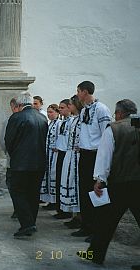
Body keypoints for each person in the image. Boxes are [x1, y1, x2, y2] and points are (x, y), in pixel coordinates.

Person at [78, 99, 140, 267]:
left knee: (105, 221)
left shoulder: (113, 128)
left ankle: (95, 254)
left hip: (119, 182)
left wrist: (99, 179)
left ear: (119, 113)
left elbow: (105, 156)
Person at [72, 81, 111, 240]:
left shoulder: (101, 109)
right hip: (85, 155)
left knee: (96, 191)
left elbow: (106, 135)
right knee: (84, 190)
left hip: (96, 154)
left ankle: (98, 229)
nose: (77, 94)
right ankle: (86, 225)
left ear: (85, 92)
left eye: (79, 91)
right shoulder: (83, 111)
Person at [5, 91, 48, 237]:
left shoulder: (16, 117)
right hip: (39, 163)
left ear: (20, 104)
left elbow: (9, 140)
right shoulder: (42, 118)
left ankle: (27, 224)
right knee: (33, 193)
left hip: (21, 162)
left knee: (17, 191)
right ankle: (31, 222)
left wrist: (14, 155)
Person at [59, 96, 83, 224]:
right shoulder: (73, 120)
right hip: (70, 154)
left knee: (76, 184)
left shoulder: (80, 119)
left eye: (71, 105)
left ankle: (80, 217)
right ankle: (76, 216)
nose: (69, 107)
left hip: (77, 156)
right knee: (70, 183)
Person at [0, 97, 20, 218]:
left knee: (13, 185)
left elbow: (4, 141)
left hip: (13, 160)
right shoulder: (39, 118)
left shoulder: (10, 120)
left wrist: (8, 153)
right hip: (33, 161)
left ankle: (18, 209)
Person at [40, 104, 60, 205]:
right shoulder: (50, 123)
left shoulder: (58, 124)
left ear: (57, 113)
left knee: (53, 175)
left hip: (54, 154)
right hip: (48, 154)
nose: (49, 114)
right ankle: (50, 200)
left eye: (51, 112)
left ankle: (55, 201)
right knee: (48, 176)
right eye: (48, 112)